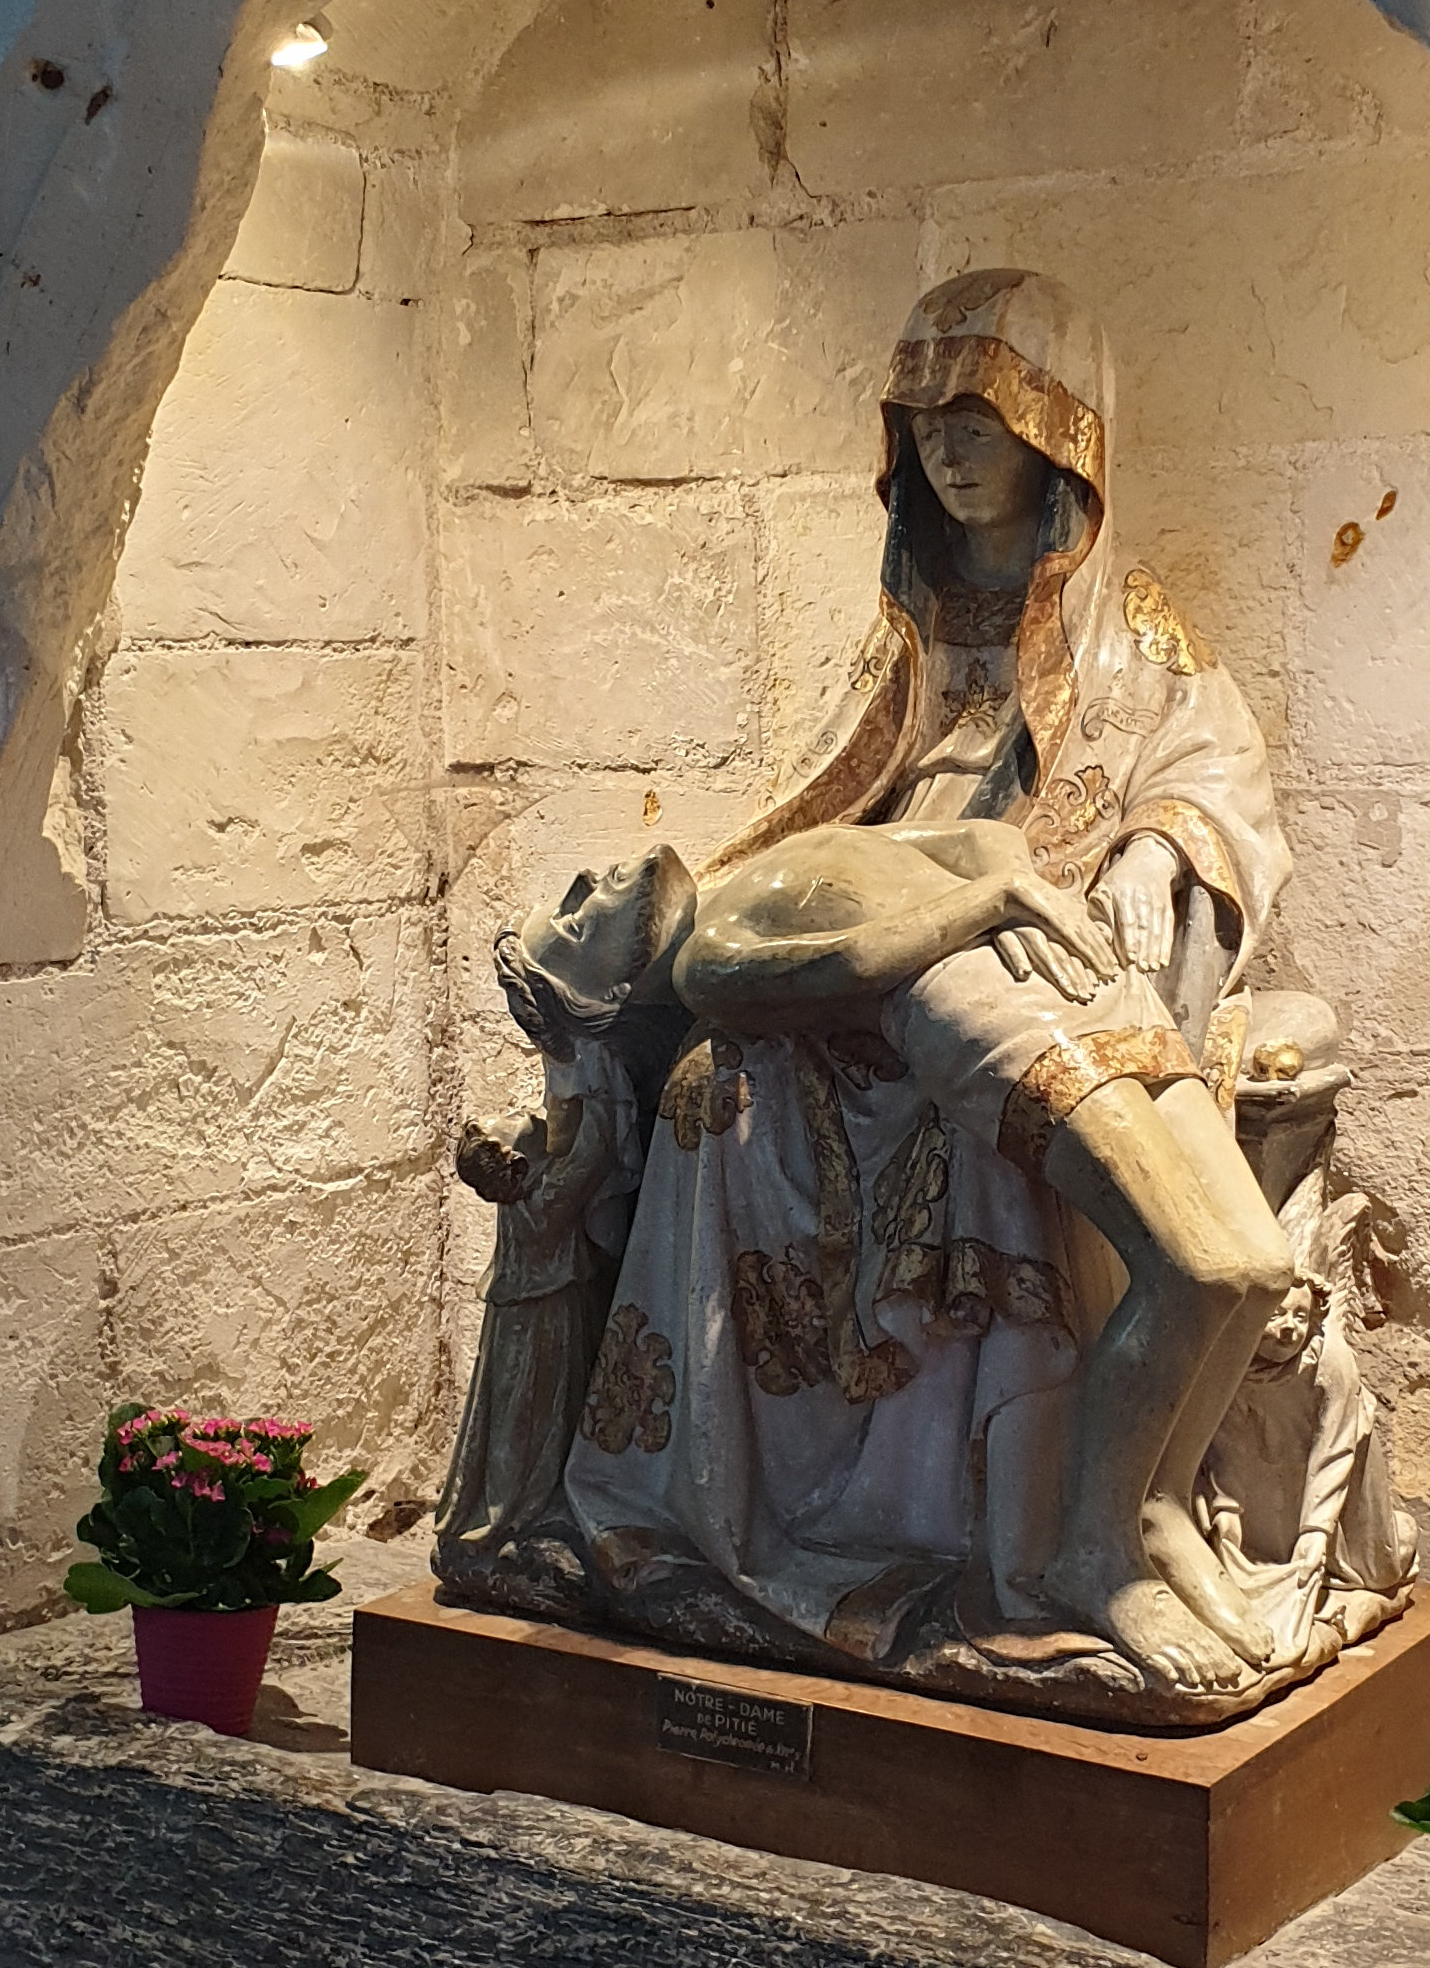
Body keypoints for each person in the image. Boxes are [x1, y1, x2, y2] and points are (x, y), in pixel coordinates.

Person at [528, 268, 1307, 1723]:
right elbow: (824, 809)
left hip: (1046, 925)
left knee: (1176, 1235)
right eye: (926, 420)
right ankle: (795, 1498)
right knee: (707, 1086)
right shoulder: (902, 630)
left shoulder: (1131, 630)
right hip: (907, 934)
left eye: (980, 416)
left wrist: (1156, 846)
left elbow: (1216, 774)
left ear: (1056, 435)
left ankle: (1076, 1524)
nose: (949, 447)